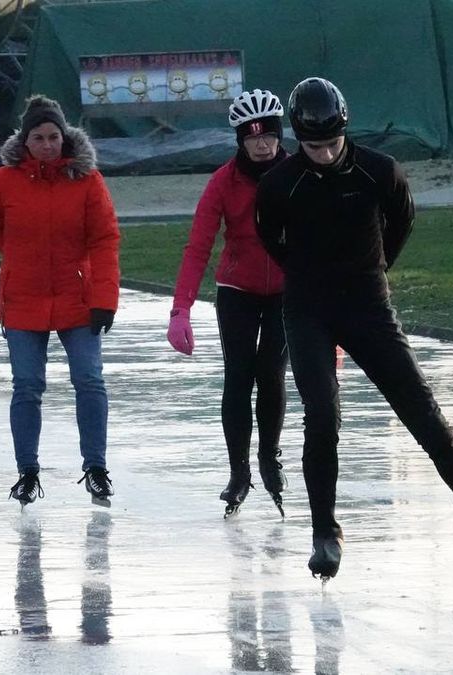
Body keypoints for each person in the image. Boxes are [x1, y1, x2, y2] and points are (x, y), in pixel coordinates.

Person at [255, 77, 453, 579]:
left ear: (346, 132)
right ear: (298, 140)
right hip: (308, 310)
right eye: (312, 147)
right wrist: (310, 279)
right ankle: (325, 530)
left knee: (426, 416)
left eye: (331, 145)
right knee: (322, 416)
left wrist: (370, 271)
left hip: (367, 305)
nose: (323, 155)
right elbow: (271, 241)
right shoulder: (280, 184)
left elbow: (400, 224)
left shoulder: (379, 172)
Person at [0, 94, 121, 508]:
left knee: (89, 381)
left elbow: (105, 238)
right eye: (38, 137)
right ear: (25, 141)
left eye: (53, 136)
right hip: (23, 299)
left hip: (78, 298)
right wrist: (19, 259)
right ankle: (27, 472)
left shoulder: (87, 181)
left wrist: (104, 297)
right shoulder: (3, 182)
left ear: (65, 137)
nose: (46, 144)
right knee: (27, 386)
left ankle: (95, 468)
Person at [167, 89, 291, 519]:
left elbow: (325, 240)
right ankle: (239, 472)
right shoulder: (222, 181)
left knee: (271, 372)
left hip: (286, 292)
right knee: (238, 375)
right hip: (237, 290)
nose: (261, 143)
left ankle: (268, 457)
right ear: (239, 139)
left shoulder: (298, 175)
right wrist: (180, 309)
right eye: (251, 135)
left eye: (269, 134)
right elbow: (198, 246)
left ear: (279, 135)